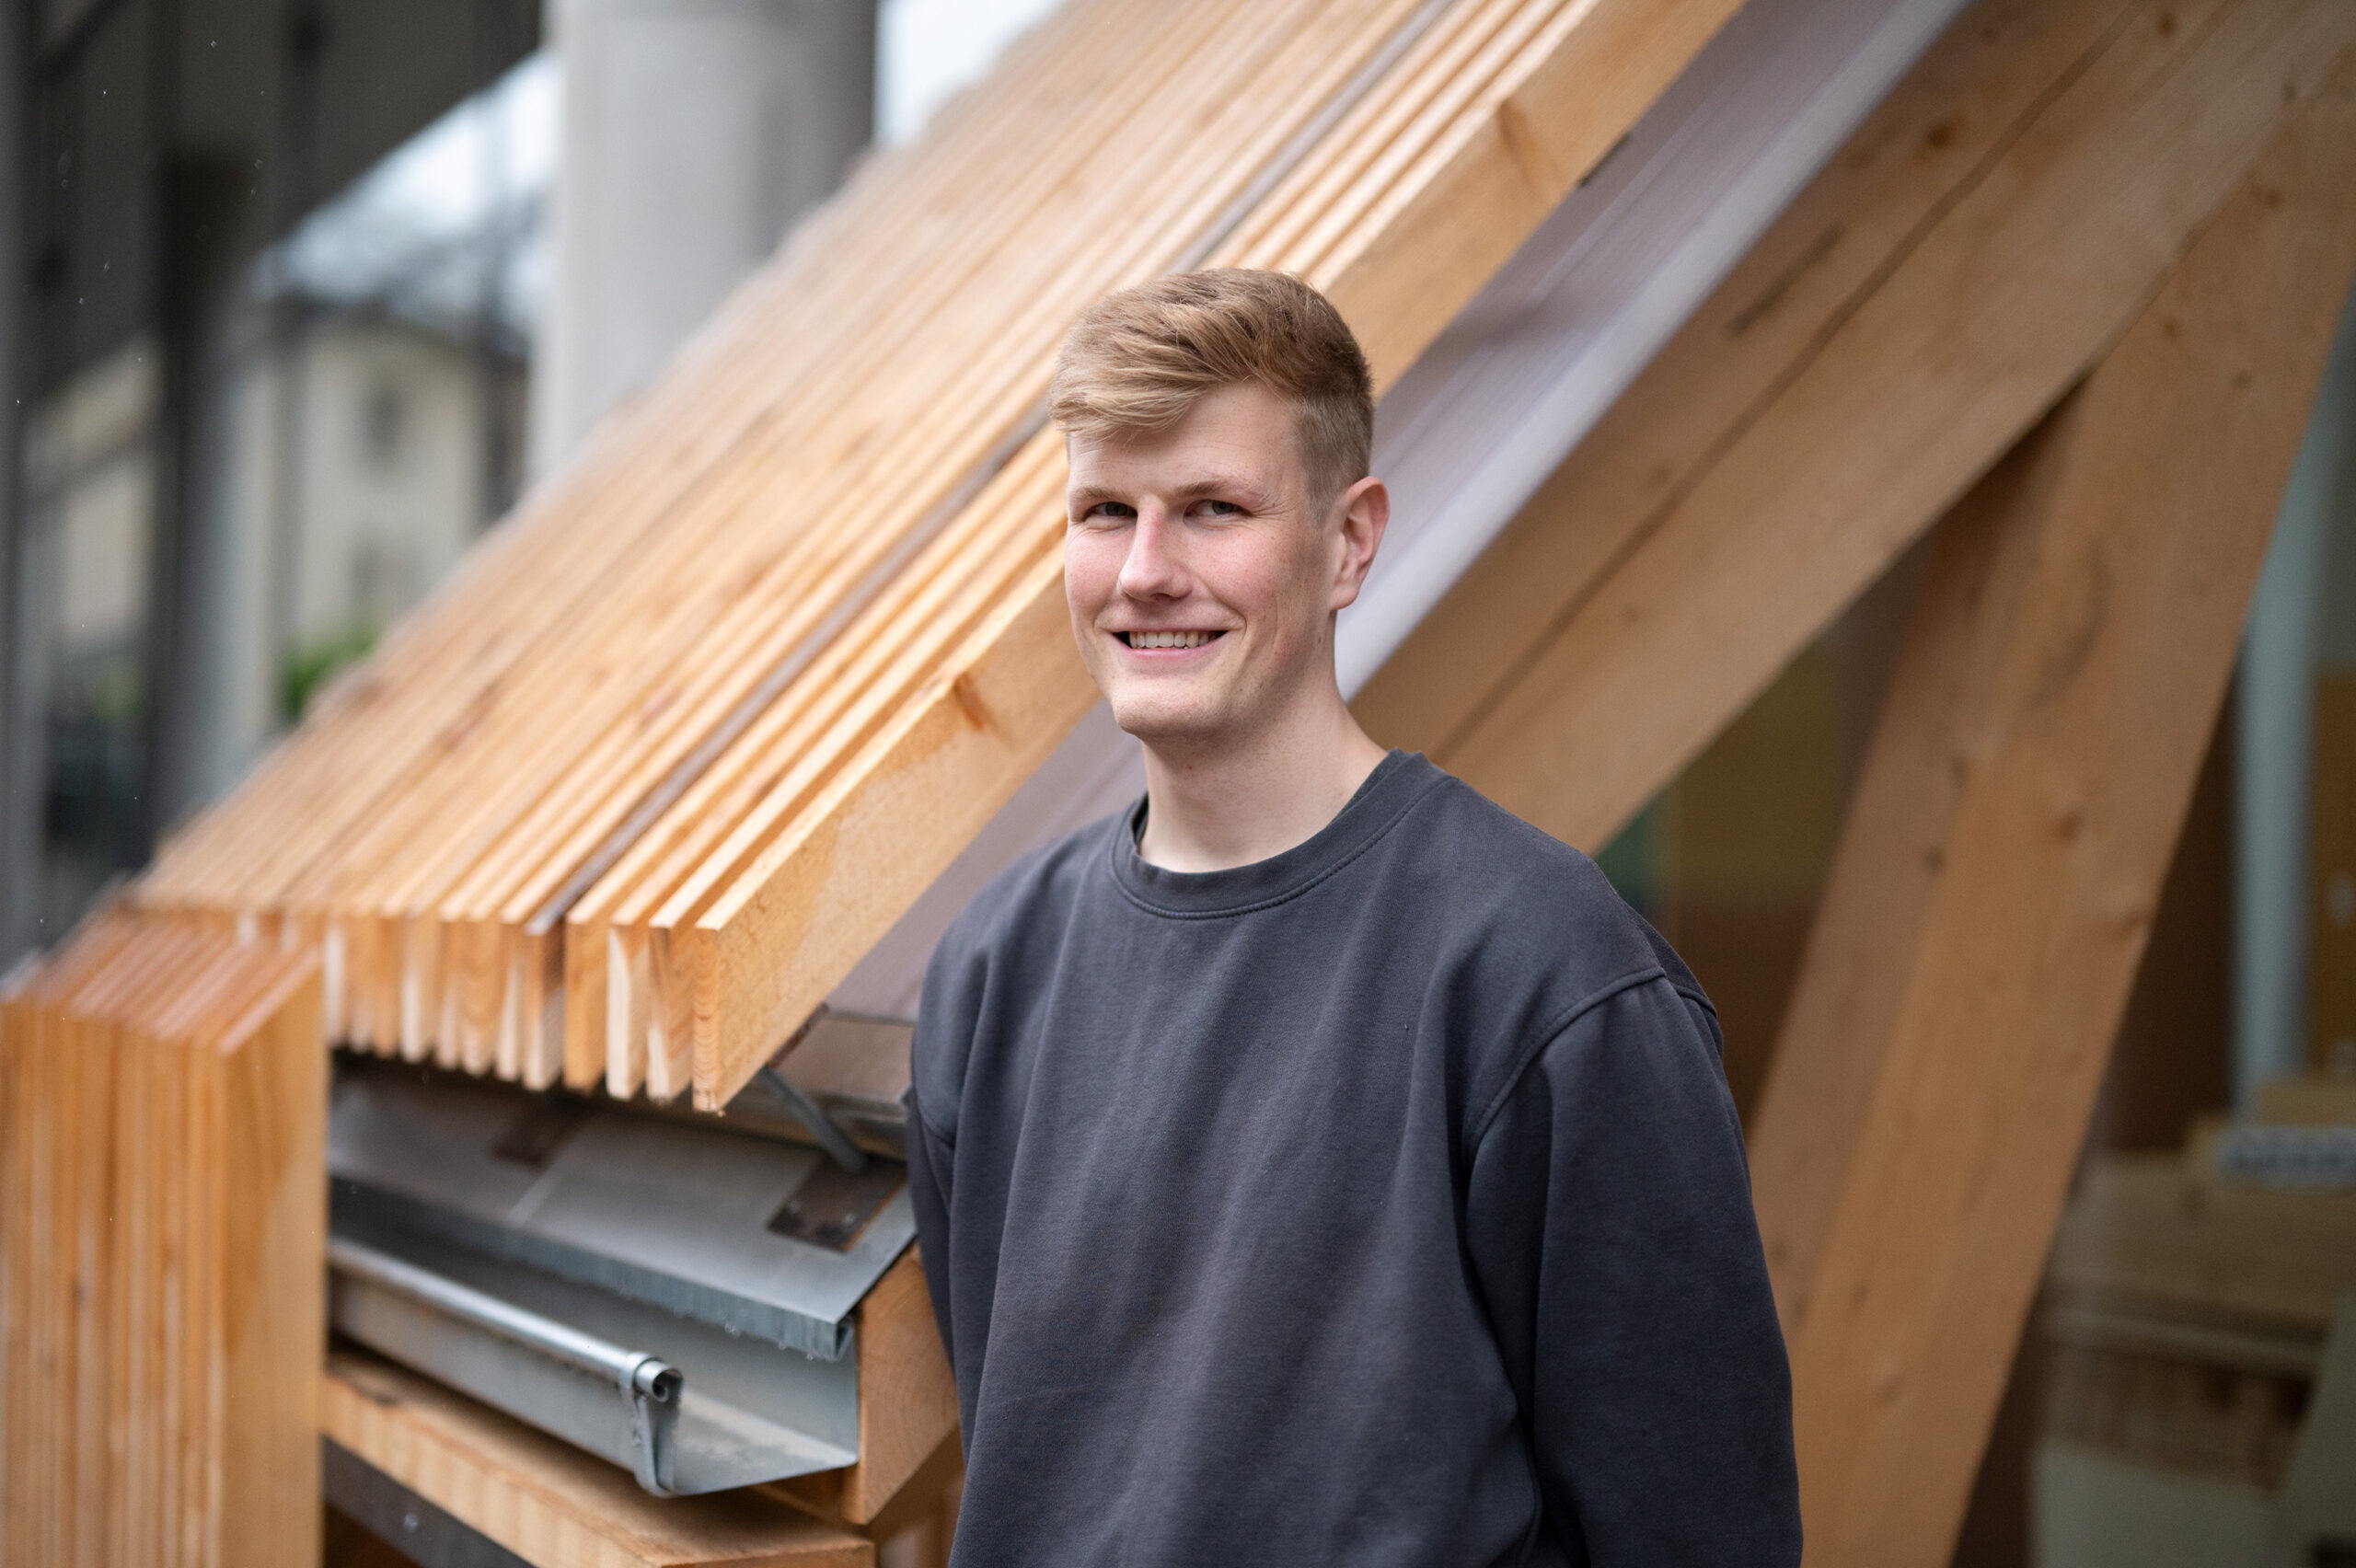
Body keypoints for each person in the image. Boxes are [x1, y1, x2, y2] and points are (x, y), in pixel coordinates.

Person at [905, 268, 1799, 1565]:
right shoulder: (993, 974)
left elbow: (1698, 1532)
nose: (1147, 572)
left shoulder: (1546, 978)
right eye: (1107, 512)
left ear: (1351, 541)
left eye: (1214, 510)